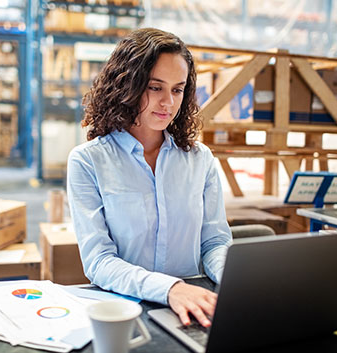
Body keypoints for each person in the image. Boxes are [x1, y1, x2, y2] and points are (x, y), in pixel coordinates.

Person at [67, 28, 232, 328]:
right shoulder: (88, 161)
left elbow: (214, 242)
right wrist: (169, 289)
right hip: (124, 312)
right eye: (155, 87)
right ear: (126, 86)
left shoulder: (200, 160)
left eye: (177, 89)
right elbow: (99, 262)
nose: (168, 102)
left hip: (195, 307)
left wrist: (235, 279)